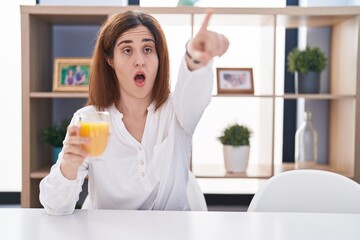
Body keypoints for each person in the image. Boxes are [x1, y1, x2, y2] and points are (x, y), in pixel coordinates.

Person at [39, 9, 229, 215]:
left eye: (148, 49)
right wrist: (69, 165)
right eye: (127, 50)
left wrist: (195, 58)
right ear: (110, 60)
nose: (139, 60)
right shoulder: (89, 119)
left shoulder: (177, 110)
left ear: (159, 57)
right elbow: (54, 207)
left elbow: (193, 89)